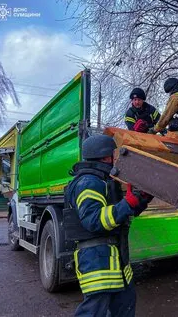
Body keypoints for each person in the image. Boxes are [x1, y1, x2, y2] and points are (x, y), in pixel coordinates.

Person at [66, 134, 153, 317]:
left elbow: (121, 214)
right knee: (93, 311)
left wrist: (141, 199)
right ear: (105, 157)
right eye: (114, 154)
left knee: (125, 306)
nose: (117, 158)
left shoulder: (105, 181)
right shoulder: (88, 182)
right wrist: (127, 203)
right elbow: (94, 220)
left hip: (114, 259)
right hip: (97, 261)